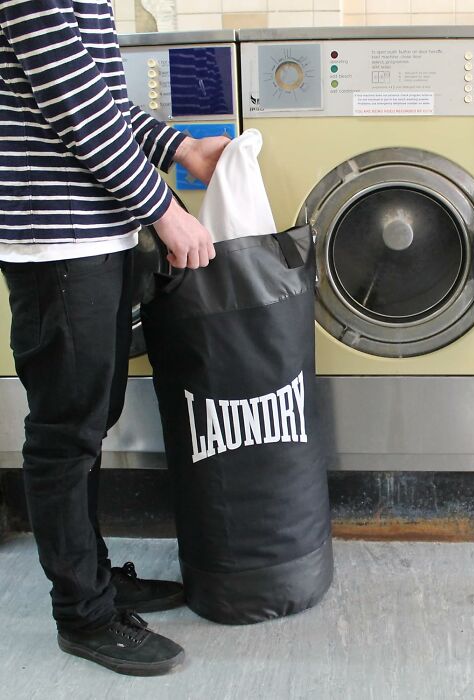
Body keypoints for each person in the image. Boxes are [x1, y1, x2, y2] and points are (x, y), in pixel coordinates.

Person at [0, 0, 230, 676]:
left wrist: (179, 147)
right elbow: (74, 103)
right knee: (66, 431)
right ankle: (84, 614)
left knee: (92, 416)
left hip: (94, 227)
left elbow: (98, 96)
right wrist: (163, 209)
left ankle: (95, 579)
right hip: (55, 241)